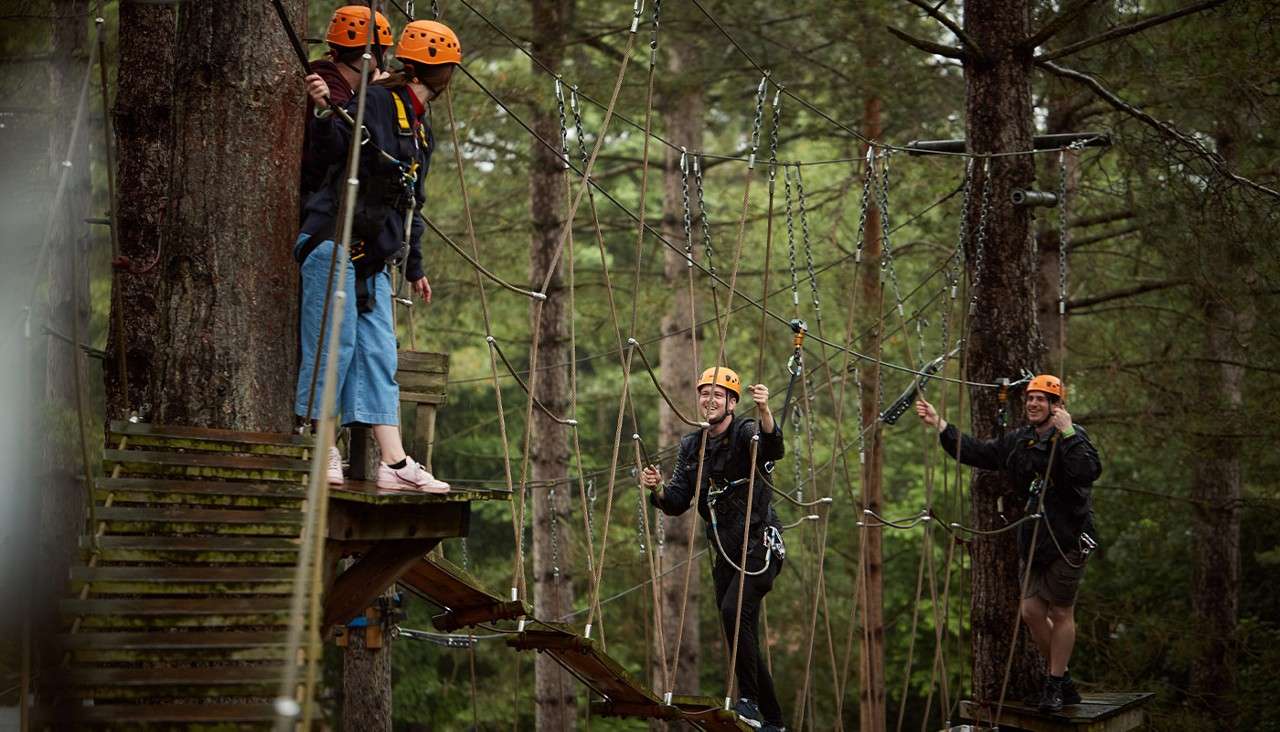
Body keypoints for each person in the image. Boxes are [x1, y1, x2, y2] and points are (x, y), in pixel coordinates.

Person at [295, 19, 462, 492]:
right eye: (446, 69)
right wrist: (328, 112)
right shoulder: (375, 102)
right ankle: (322, 446)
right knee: (334, 345)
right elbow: (335, 153)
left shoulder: (420, 125)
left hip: (372, 258)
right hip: (334, 242)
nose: (447, 77)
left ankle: (394, 462)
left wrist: (415, 267)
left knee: (378, 354)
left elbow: (414, 201)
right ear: (431, 71)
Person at [914, 374, 1101, 712]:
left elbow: (1087, 472)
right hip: (1034, 537)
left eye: (1041, 400)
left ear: (1056, 406)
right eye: (1029, 399)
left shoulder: (1072, 438)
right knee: (1031, 612)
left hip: (1067, 537)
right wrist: (941, 425)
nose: (1032, 404)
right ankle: (1063, 680)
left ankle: (1054, 683)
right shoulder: (1021, 441)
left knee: (1060, 611)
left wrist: (1069, 432)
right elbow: (979, 452)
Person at [640, 367, 787, 731]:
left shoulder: (747, 431)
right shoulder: (693, 446)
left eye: (718, 396)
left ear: (733, 403)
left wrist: (766, 410)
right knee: (739, 631)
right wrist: (655, 489)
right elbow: (677, 501)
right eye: (705, 394)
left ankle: (750, 702)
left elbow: (773, 448)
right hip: (724, 551)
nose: (709, 401)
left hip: (758, 543)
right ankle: (775, 720)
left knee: (733, 610)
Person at [300, 5, 395, 206]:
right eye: (383, 52)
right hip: (313, 198)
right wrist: (373, 94)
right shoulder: (329, 86)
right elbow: (341, 142)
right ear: (369, 56)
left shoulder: (340, 85)